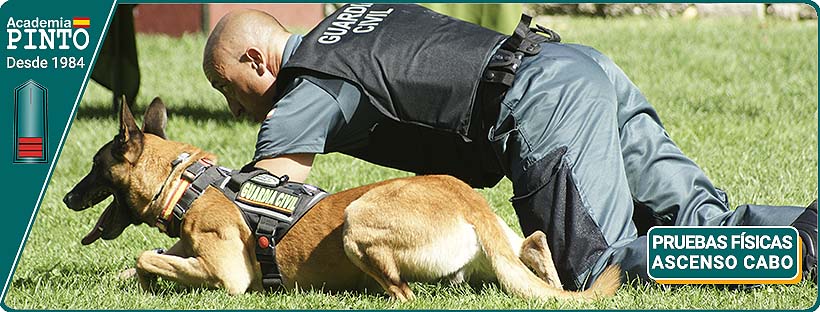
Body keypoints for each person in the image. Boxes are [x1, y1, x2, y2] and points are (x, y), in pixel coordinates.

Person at [201, 4, 817, 290]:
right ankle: (807, 231)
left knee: (598, 271)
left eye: (229, 90)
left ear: (258, 59)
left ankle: (800, 253)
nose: (233, 108)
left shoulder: (307, 85)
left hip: (545, 107)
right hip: (575, 64)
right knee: (701, 221)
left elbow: (260, 206)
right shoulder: (354, 14)